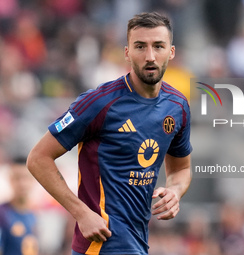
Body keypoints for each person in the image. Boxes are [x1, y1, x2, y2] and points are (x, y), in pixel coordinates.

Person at [27, 11, 192, 255]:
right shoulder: (98, 103)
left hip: (137, 242)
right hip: (101, 243)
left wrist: (175, 191)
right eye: (140, 46)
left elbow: (181, 168)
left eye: (158, 46)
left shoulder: (177, 106)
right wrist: (82, 213)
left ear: (171, 52)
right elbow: (38, 159)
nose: (150, 56)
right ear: (127, 53)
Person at [0, 158, 39, 255]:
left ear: (33, 180)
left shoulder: (36, 215)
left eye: (26, 178)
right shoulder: (2, 214)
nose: (22, 184)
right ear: (10, 180)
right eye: (17, 178)